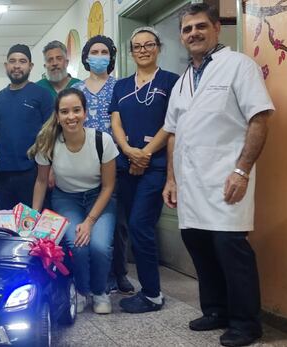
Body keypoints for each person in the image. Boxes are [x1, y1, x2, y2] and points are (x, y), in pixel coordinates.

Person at [162, 4, 274, 346]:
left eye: (200, 26)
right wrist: (171, 178)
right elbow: (173, 133)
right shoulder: (182, 81)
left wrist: (242, 170)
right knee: (198, 244)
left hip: (227, 177)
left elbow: (260, 118)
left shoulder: (239, 66)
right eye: (186, 29)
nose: (193, 33)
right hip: (190, 182)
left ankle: (246, 323)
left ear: (216, 28)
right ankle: (215, 310)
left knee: (230, 247)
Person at [109, 27, 180, 313]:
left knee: (140, 224)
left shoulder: (171, 82)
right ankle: (148, 290)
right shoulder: (121, 86)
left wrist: (146, 154)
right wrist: (128, 151)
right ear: (131, 52)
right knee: (131, 226)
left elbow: (171, 123)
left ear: (158, 47)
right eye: (137, 46)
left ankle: (152, 293)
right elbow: (116, 122)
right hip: (125, 166)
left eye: (148, 44)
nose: (142, 50)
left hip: (155, 167)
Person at [30, 88, 118, 315]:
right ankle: (81, 290)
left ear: (85, 113)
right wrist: (31, 219)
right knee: (77, 244)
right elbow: (41, 182)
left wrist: (89, 222)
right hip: (66, 198)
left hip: (99, 198)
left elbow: (109, 186)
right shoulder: (48, 144)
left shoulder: (102, 141)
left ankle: (99, 292)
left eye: (77, 110)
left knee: (99, 246)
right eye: (65, 111)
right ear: (57, 116)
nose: (71, 117)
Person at [69, 35, 135, 296]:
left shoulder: (120, 86)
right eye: (94, 51)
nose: (99, 55)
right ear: (85, 57)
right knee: (91, 223)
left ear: (111, 56)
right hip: (83, 165)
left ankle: (119, 273)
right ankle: (99, 276)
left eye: (104, 51)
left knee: (117, 223)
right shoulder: (77, 89)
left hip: (115, 162)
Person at [0, 44, 53, 210]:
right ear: (6, 66)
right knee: (6, 226)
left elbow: (52, 132)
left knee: (32, 227)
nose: (17, 65)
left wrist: (51, 169)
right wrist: (2, 144)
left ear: (30, 66)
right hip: (3, 174)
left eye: (22, 61)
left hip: (34, 173)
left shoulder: (42, 95)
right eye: (12, 61)